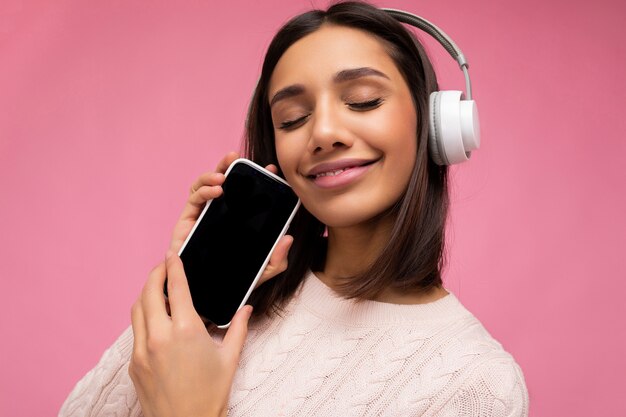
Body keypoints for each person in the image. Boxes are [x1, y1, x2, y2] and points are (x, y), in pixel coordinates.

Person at [60, 2, 528, 416]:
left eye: (362, 101)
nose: (322, 132)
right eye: (293, 118)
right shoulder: (239, 297)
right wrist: (181, 295)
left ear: (435, 126)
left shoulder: (476, 385)